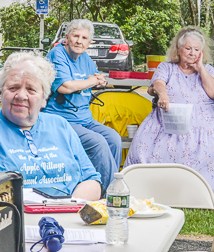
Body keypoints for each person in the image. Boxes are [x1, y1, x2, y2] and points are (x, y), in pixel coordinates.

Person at [0, 52, 102, 201]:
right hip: (12, 218)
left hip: (67, 215)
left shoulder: (60, 126)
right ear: (2, 93)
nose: (21, 95)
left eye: (31, 89)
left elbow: (91, 180)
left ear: (44, 98)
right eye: (13, 88)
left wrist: (66, 207)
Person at [125, 27, 214, 188]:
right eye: (188, 48)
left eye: (196, 49)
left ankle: (198, 191)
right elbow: (158, 82)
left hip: (201, 126)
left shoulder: (207, 70)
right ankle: (149, 187)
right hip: (169, 120)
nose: (192, 53)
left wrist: (200, 68)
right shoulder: (167, 67)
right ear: (178, 50)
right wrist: (163, 95)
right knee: (143, 149)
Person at [42, 19, 121, 191]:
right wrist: (91, 80)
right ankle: (105, 195)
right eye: (76, 36)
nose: (79, 41)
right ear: (67, 38)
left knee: (114, 138)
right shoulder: (58, 54)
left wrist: (98, 81)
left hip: (85, 119)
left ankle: (113, 188)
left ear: (89, 42)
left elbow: (90, 80)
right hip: (61, 120)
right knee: (98, 142)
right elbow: (65, 87)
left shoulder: (86, 59)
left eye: (84, 38)